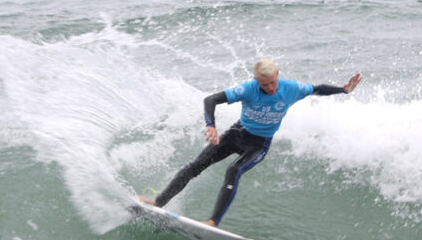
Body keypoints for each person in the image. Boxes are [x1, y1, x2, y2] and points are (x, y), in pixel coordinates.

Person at [140, 59, 362, 227]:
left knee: (234, 170)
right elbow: (211, 99)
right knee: (196, 165)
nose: (270, 88)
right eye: (265, 85)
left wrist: (343, 90)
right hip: (236, 133)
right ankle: (158, 203)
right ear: (257, 81)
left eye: (273, 82)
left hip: (259, 144)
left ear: (278, 75)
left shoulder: (291, 88)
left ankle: (213, 222)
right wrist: (211, 125)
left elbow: (318, 88)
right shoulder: (248, 89)